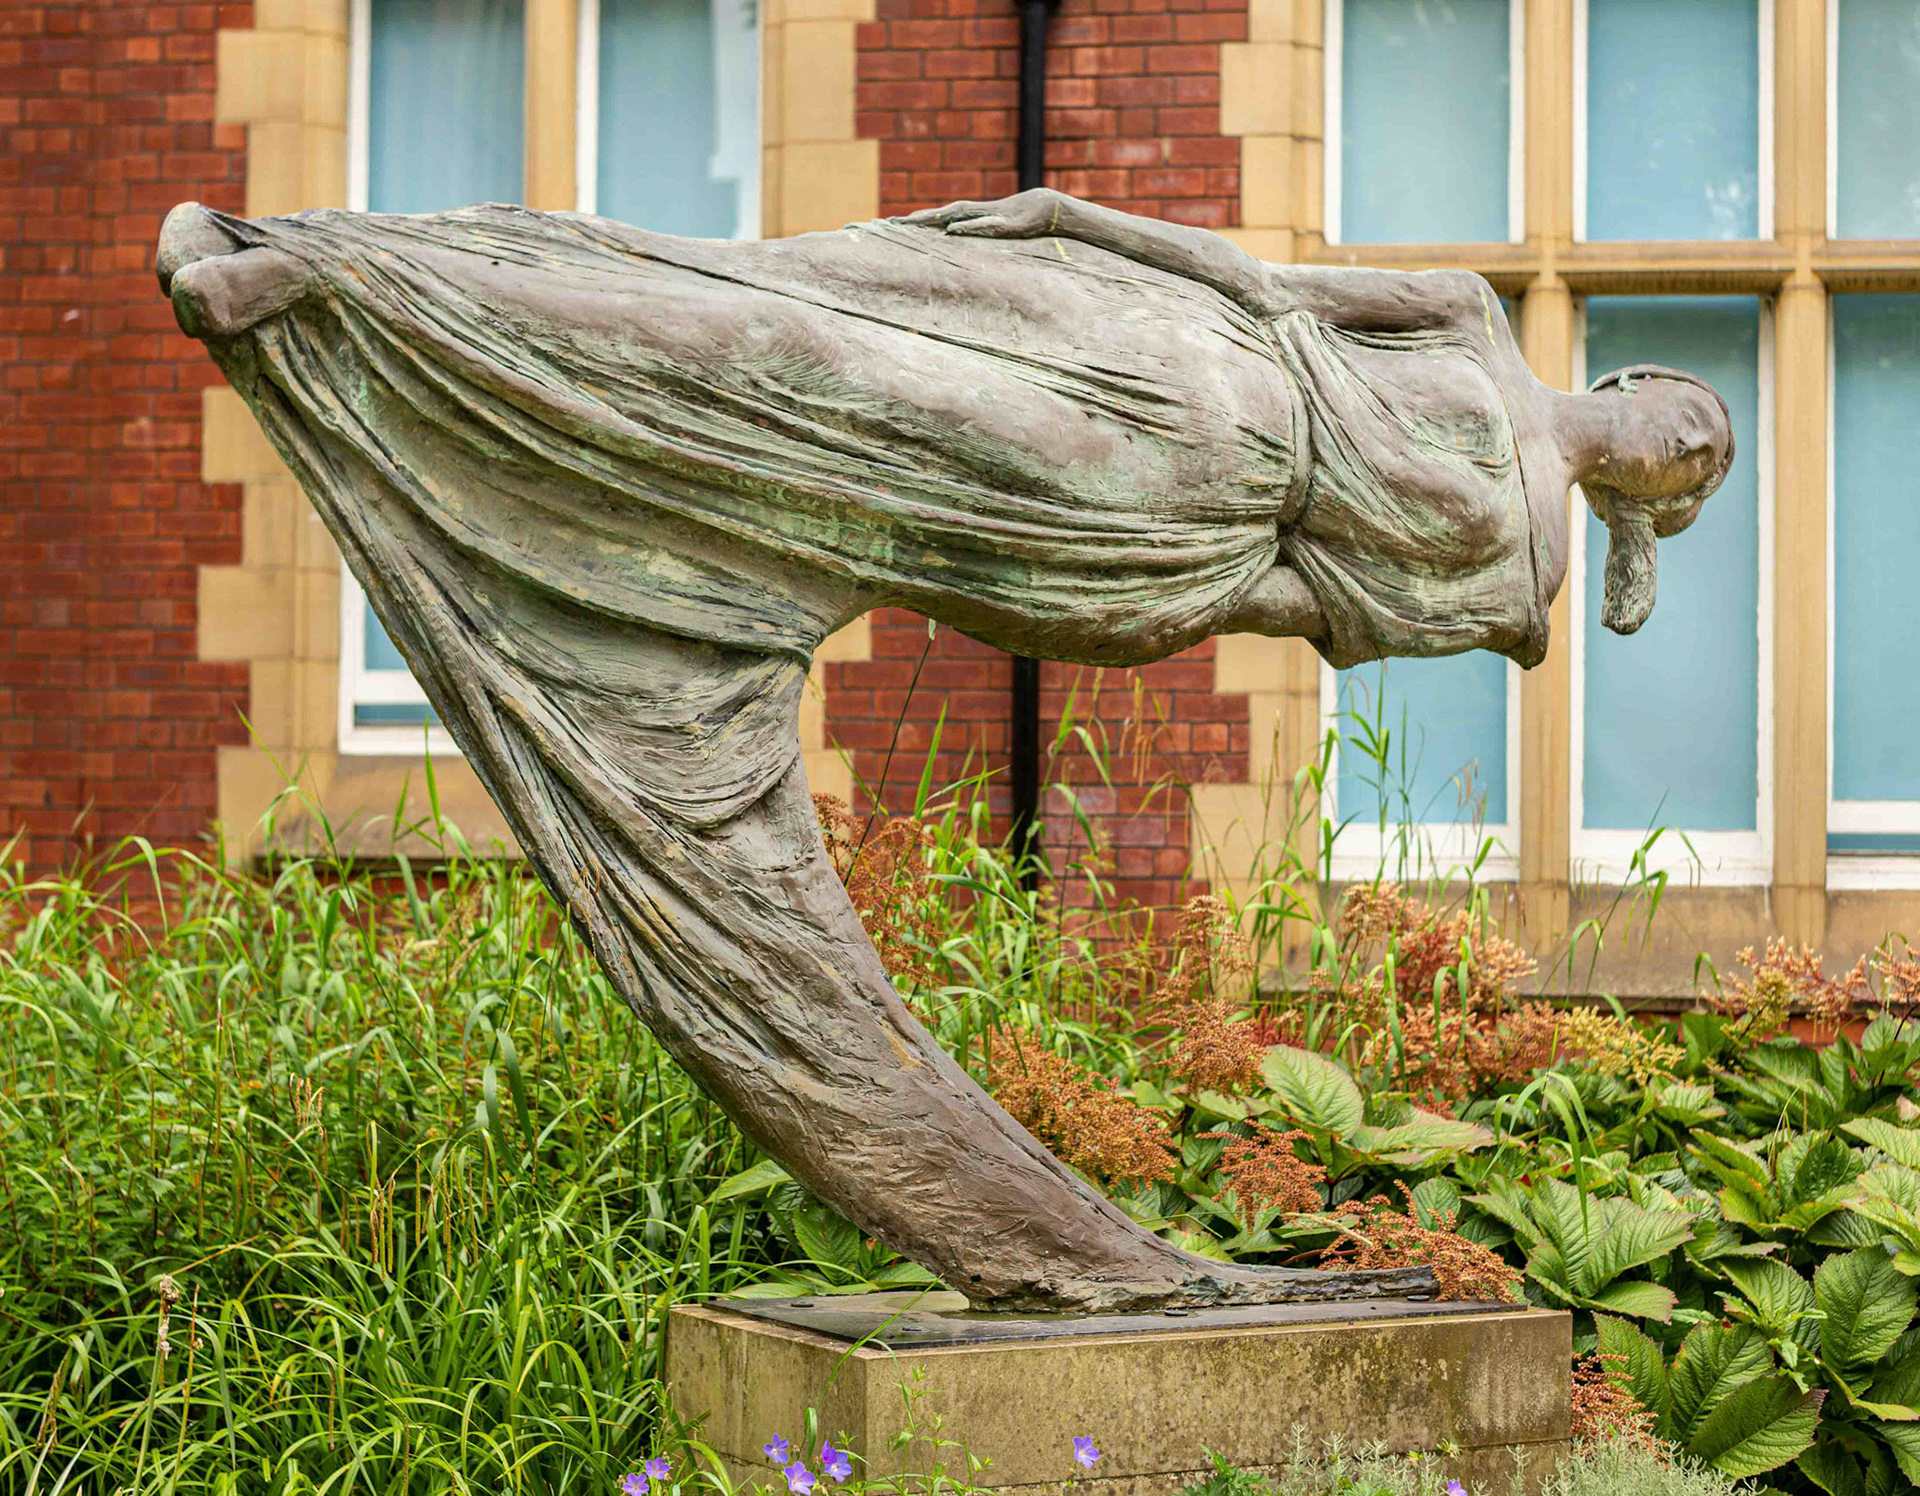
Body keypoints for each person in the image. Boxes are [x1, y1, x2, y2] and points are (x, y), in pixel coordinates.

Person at [154, 191, 1729, 1311]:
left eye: (1699, 464)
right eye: (1688, 409)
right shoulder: (1469, 318)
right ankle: (342, 272)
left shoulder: (1523, 577)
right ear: (1635, 376)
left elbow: (1304, 596)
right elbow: (1270, 290)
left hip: (1162, 521)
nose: (1682, 437)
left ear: (1660, 497)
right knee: (807, 316)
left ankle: (360, 310)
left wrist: (1128, 597)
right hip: (1199, 361)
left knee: (827, 395)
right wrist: (1069, 226)